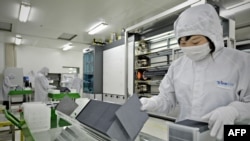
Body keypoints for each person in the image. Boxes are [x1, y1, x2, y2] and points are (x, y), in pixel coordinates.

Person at [140, 4, 250, 140]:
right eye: (183, 44)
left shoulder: (242, 62)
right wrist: (154, 103)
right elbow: (167, 99)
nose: (189, 48)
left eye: (196, 42)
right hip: (184, 135)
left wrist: (234, 111)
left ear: (212, 36)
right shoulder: (177, 66)